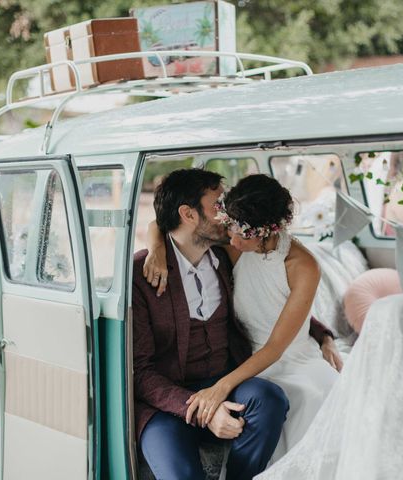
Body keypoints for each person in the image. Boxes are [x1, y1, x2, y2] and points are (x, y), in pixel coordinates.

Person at [134, 169, 337, 479]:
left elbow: (279, 310)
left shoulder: (226, 253)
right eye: (219, 206)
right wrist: (156, 245)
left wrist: (322, 334)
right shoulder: (146, 272)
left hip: (232, 375)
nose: (227, 216)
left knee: (272, 398)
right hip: (166, 402)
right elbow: (141, 372)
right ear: (189, 215)